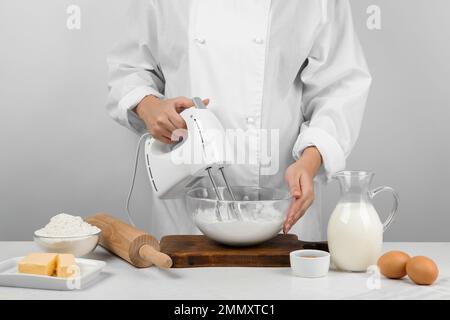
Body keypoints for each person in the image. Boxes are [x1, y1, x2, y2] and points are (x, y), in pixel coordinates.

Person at [106, 0, 371, 241]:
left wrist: (310, 160)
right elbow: (129, 67)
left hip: (281, 206)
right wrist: (148, 105)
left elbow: (340, 87)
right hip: (185, 217)